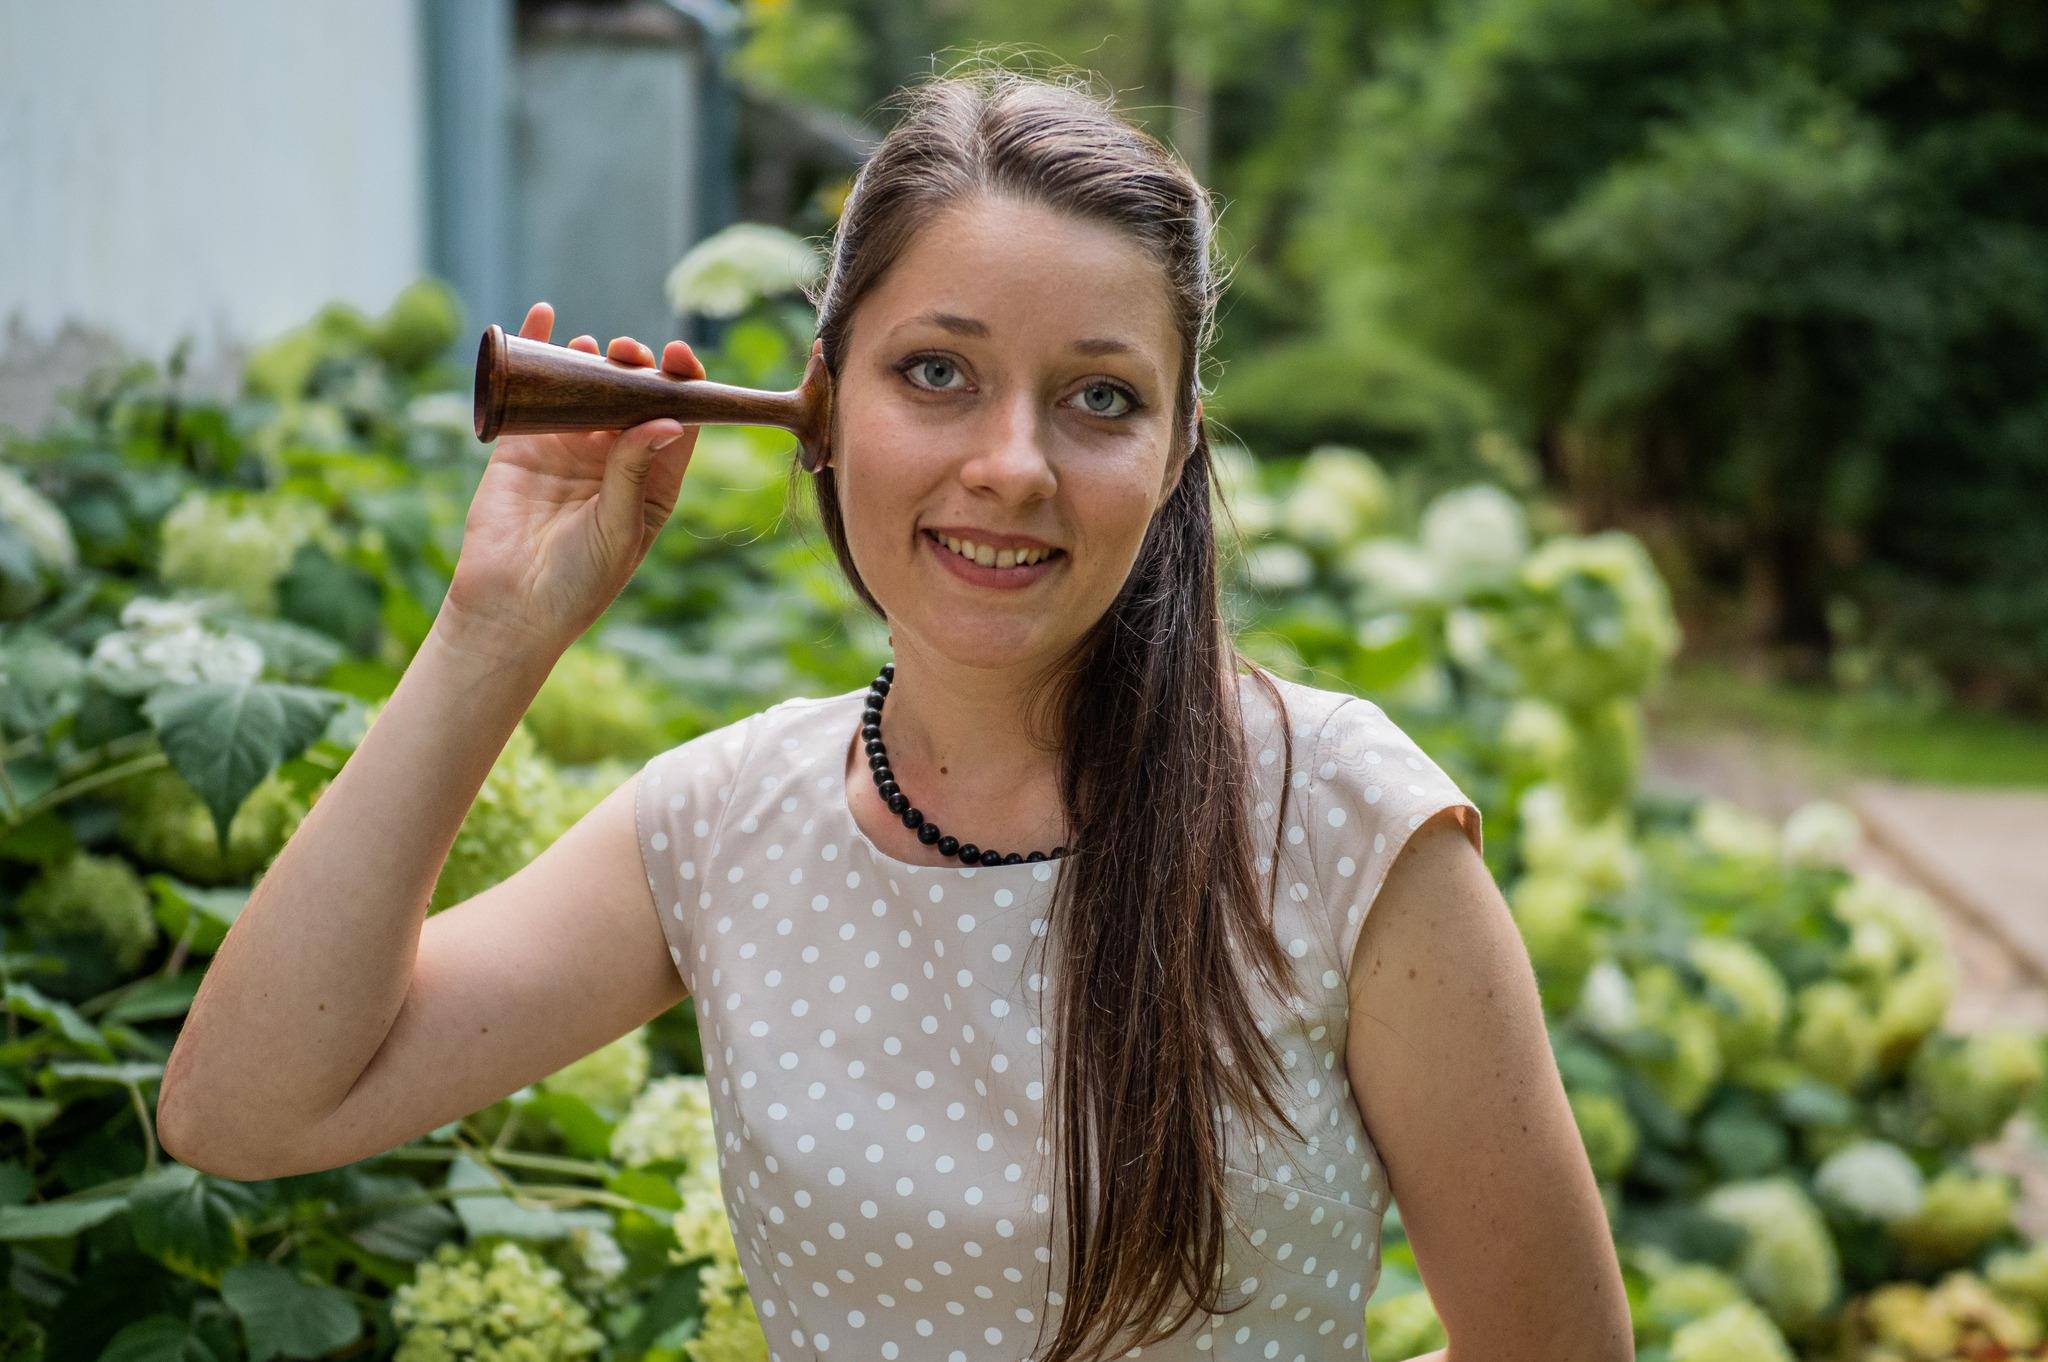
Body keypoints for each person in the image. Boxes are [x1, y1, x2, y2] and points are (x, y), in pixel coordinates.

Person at [158, 61, 1631, 1362]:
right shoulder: (723, 822)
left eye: (1101, 399)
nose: (1012, 464)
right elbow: (245, 1110)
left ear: (1181, 445)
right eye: (938, 373)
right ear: (824, 403)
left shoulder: (1344, 820)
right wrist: (495, 630)